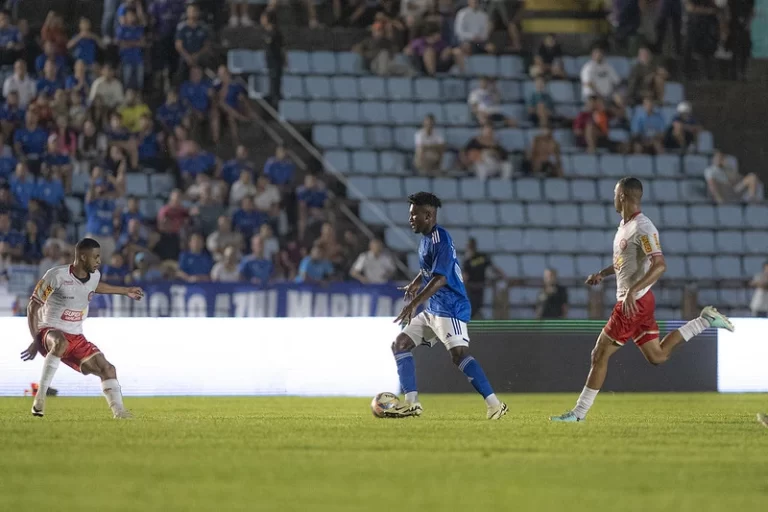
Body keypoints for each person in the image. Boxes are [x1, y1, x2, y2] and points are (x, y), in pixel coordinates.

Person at [550, 177, 734, 423]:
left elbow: (660, 265)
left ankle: (578, 414)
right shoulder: (624, 227)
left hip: (632, 303)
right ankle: (704, 321)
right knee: (657, 356)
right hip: (641, 301)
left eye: (616, 194)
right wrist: (602, 275)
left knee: (599, 354)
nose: (613, 198)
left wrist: (630, 291)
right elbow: (625, 263)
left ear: (623, 196)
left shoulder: (643, 228)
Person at [388, 192, 508, 420]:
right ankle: (411, 403)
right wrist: (415, 283)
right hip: (434, 308)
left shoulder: (440, 238)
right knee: (400, 344)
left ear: (429, 215)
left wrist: (414, 303)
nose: (410, 219)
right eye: (410, 215)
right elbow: (430, 272)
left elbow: (440, 279)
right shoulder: (426, 239)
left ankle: (495, 404)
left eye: (414, 215)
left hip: (450, 307)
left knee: (458, 354)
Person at [20, 237, 144, 419]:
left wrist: (125, 291)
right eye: (96, 257)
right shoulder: (56, 276)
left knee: (108, 369)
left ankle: (120, 412)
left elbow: (94, 287)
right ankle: (40, 397)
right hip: (50, 330)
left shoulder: (94, 276)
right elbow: (34, 306)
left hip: (76, 337)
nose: (99, 261)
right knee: (60, 342)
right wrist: (36, 339)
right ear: (83, 257)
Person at [463, 237, 505, 319]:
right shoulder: (467, 260)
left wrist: (502, 275)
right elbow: (465, 275)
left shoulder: (482, 257)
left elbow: (492, 267)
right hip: (471, 287)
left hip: (480, 286)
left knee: (478, 306)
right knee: (472, 307)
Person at [261, 10, 284, 109]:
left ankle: (275, 105)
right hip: (270, 62)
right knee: (272, 82)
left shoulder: (274, 32)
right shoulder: (267, 32)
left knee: (275, 83)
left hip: (275, 61)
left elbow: (282, 47)